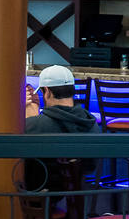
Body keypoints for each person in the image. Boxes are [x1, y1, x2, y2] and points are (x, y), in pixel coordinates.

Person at [23, 64, 95, 192]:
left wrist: (29, 118)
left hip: (43, 194)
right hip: (78, 192)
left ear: (47, 92)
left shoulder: (35, 126)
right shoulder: (91, 124)